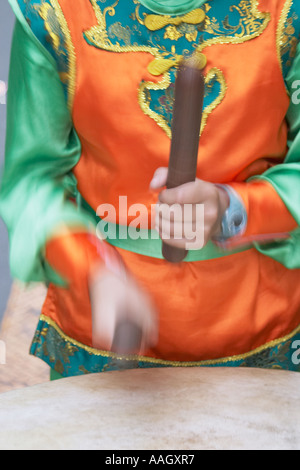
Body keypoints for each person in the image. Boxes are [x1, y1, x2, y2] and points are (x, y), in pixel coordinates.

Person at [1, 0, 300, 379]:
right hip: (105, 322)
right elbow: (32, 180)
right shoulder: (51, 12)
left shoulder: (287, 10)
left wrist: (234, 208)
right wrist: (90, 270)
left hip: (261, 317)